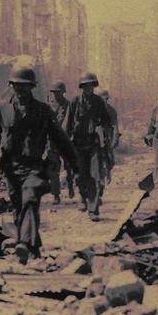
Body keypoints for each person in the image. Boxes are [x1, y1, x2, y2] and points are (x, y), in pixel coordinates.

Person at [0, 67, 79, 264]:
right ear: (12, 86)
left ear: (32, 87)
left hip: (35, 167)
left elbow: (61, 139)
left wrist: (76, 166)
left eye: (25, 86)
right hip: (11, 168)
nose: (20, 89)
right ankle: (33, 248)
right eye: (17, 85)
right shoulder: (2, 108)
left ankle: (23, 244)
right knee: (19, 208)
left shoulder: (43, 110)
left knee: (29, 198)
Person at [66, 72, 110, 221]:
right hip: (77, 144)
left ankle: (93, 209)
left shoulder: (99, 102)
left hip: (93, 144)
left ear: (94, 86)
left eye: (91, 85)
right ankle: (82, 198)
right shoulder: (74, 102)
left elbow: (106, 121)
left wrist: (104, 137)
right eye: (85, 85)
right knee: (79, 176)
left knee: (95, 177)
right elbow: (67, 124)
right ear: (82, 87)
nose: (88, 87)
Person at [45, 80, 74, 203]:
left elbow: (71, 123)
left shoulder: (69, 106)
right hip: (52, 142)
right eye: (54, 92)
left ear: (63, 92)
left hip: (65, 141)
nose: (56, 95)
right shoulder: (48, 105)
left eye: (58, 92)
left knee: (69, 167)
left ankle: (71, 186)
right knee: (53, 169)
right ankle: (56, 195)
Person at [98, 90, 121, 184]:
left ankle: (108, 172)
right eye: (103, 99)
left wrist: (115, 139)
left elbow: (115, 125)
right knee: (98, 157)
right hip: (98, 136)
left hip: (108, 136)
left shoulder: (111, 111)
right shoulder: (95, 110)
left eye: (106, 99)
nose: (105, 101)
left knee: (109, 158)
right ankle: (101, 176)